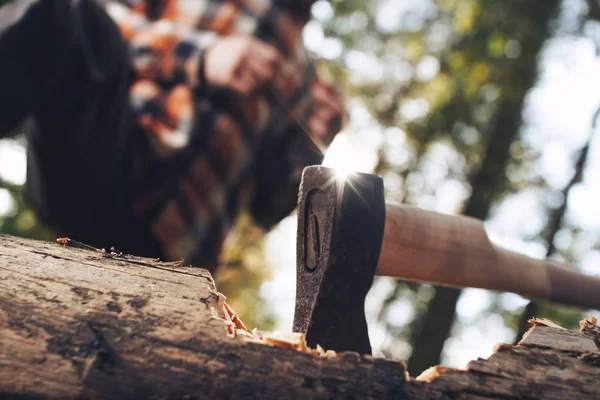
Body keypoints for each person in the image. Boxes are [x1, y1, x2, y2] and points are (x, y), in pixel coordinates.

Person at [0, 0, 344, 271]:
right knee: (64, 16)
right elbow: (101, 17)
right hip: (105, 156)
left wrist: (314, 144)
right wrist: (201, 55)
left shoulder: (306, 85)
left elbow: (267, 207)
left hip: (175, 256)